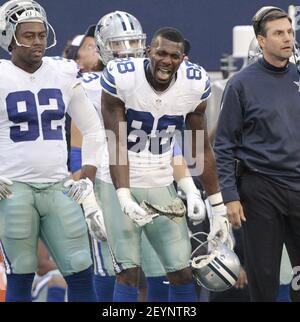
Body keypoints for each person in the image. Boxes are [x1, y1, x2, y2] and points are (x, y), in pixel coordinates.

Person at [101, 26, 230, 302]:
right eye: (160, 53)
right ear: (149, 51)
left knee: (181, 270)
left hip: (160, 182)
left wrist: (215, 205)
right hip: (118, 178)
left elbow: (199, 149)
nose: (166, 60)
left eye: (174, 56)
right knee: (129, 270)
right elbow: (117, 143)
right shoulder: (123, 77)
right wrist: (123, 195)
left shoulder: (194, 84)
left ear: (183, 59)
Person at [0, 0, 104, 302]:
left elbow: (95, 130)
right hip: (12, 188)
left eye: (41, 35)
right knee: (20, 273)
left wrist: (88, 177)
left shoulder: (62, 72)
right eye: (28, 35)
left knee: (81, 269)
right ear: (9, 37)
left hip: (58, 185)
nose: (37, 42)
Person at [214, 6, 300, 301]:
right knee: (263, 281)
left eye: (289, 32)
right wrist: (230, 195)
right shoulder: (240, 84)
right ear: (261, 41)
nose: (287, 38)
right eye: (278, 33)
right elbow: (223, 144)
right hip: (261, 190)